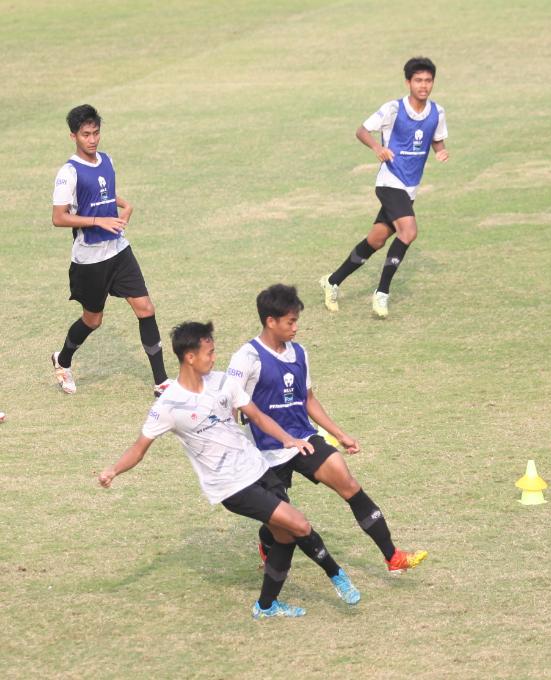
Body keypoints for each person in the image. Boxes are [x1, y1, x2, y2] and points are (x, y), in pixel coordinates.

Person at [98, 321, 360, 619]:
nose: (214, 358)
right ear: (190, 357)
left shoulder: (224, 382)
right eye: (209, 353)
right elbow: (139, 448)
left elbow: (257, 417)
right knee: (299, 524)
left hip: (258, 468)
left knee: (285, 536)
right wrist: (113, 470)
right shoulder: (169, 405)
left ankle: (266, 606)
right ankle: (337, 576)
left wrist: (289, 439)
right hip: (230, 485)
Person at [227, 284, 427, 573]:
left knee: (347, 480)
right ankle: (266, 545)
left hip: (304, 438)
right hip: (265, 451)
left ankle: (393, 556)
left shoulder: (299, 353)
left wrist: (341, 433)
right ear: (270, 321)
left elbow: (307, 399)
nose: (296, 328)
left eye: (297, 321)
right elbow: (230, 403)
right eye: (290, 322)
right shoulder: (247, 358)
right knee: (282, 524)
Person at [50, 104, 170, 396]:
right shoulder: (68, 173)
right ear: (73, 136)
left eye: (96, 133)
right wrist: (97, 220)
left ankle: (161, 382)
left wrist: (125, 205)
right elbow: (59, 216)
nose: (92, 140)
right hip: (89, 260)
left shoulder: (107, 160)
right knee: (93, 320)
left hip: (118, 251)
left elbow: (104, 193)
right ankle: (62, 360)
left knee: (146, 309)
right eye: (85, 135)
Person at [319, 56, 449, 318]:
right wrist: (377, 148)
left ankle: (332, 281)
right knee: (409, 231)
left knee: (376, 240)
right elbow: (362, 130)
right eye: (418, 80)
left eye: (428, 80)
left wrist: (441, 150)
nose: (423, 85)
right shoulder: (393, 109)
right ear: (408, 82)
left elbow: (436, 138)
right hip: (390, 182)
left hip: (409, 188)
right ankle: (382, 293)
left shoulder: (437, 112)